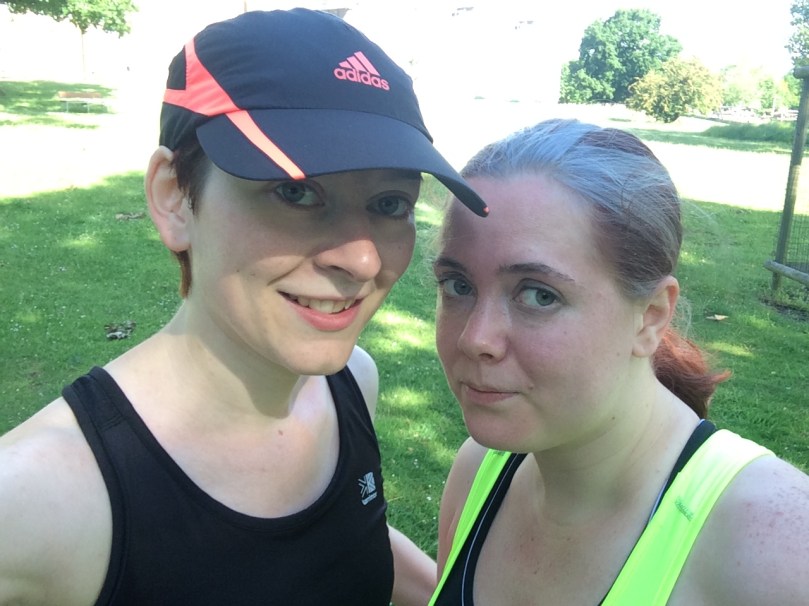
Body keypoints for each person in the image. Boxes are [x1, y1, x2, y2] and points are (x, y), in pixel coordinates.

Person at [0, 9, 489, 606]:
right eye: (296, 191)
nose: (362, 260)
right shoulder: (39, 502)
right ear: (175, 196)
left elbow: (338, 542)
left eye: (390, 204)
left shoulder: (350, 383)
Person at [428, 118, 809, 605]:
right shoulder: (479, 470)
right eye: (458, 286)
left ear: (650, 317)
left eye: (538, 295)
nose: (475, 338)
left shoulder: (774, 546)